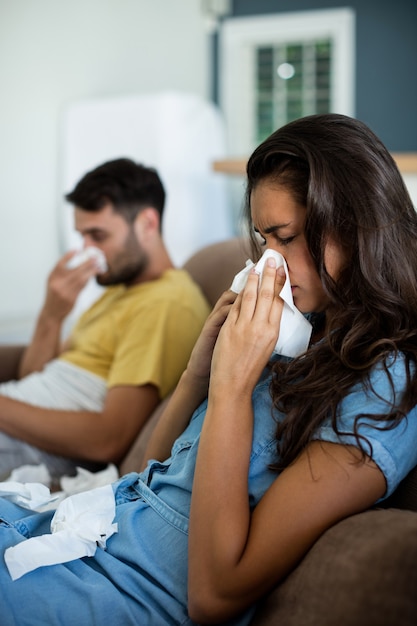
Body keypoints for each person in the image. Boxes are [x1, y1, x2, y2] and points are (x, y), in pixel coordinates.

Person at [1, 113, 417, 625]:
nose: (270, 265)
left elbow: (215, 595)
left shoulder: (385, 390)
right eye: (265, 241)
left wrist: (231, 387)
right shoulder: (303, 331)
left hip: (115, 588)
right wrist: (200, 373)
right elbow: (146, 478)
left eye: (284, 237)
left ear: (354, 227)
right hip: (84, 540)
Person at [0, 158, 210, 481]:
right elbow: (35, 377)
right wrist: (52, 314)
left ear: (147, 224)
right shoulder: (120, 288)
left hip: (29, 447)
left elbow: (108, 439)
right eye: (82, 236)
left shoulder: (167, 303)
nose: (86, 250)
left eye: (98, 235)